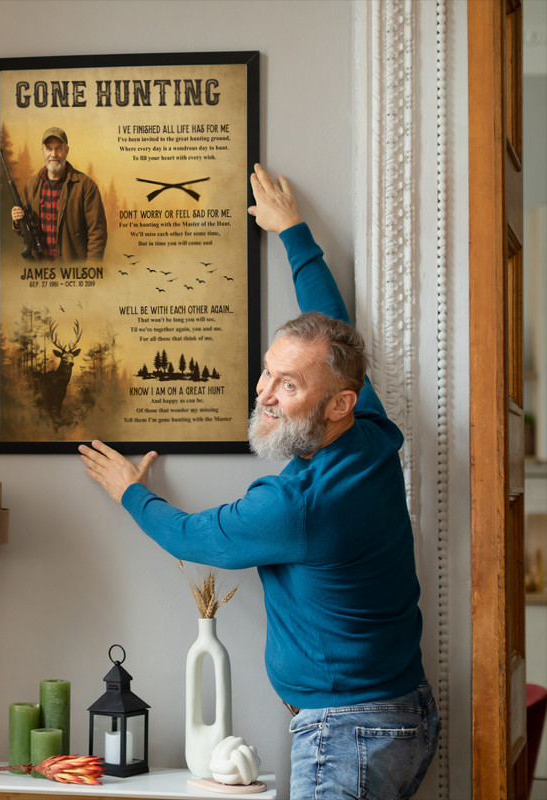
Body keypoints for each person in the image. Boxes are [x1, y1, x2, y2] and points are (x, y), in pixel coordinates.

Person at [78, 164, 439, 799]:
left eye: (287, 386)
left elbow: (195, 537)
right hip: (397, 716)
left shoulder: (298, 506)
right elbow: (331, 329)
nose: (264, 394)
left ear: (337, 405)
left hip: (349, 737)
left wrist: (130, 490)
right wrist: (294, 232)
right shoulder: (372, 437)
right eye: (268, 373)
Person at [11, 126, 107, 263]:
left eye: (59, 148)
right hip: (41, 272)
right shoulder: (31, 186)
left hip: (73, 273)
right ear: (43, 152)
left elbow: (98, 233)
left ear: (67, 151)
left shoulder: (86, 186)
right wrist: (17, 222)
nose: (54, 154)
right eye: (49, 148)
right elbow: (25, 232)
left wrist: (90, 270)